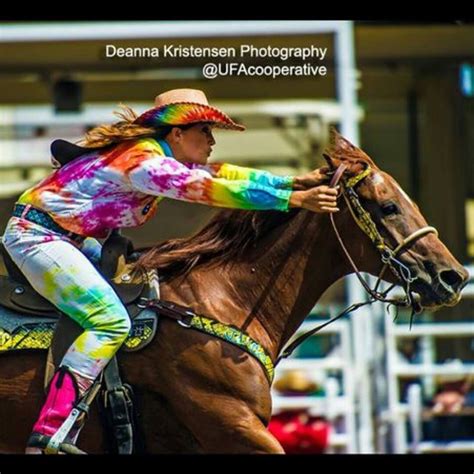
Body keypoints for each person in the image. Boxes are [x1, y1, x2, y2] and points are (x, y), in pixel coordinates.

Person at [1, 88, 339, 453]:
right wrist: (291, 200)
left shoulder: (156, 159)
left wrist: (292, 182)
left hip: (68, 240)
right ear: (177, 133)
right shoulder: (145, 164)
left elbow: (225, 174)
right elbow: (208, 189)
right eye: (204, 131)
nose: (211, 141)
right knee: (110, 321)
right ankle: (50, 433)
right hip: (38, 238)